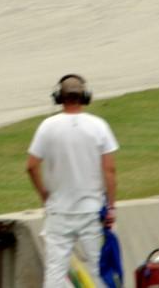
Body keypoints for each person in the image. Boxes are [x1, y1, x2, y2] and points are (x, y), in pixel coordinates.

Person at [27, 74, 118, 288]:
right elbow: (110, 170)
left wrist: (44, 195)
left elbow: (31, 166)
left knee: (55, 272)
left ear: (59, 97)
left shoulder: (47, 126)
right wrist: (111, 207)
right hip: (91, 209)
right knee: (99, 270)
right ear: (85, 96)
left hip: (58, 210)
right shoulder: (99, 126)